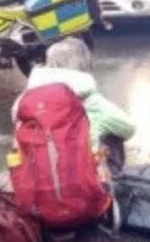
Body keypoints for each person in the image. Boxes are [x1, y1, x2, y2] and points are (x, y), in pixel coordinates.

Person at [12, 37, 135, 173]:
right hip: (83, 184)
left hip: (35, 183)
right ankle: (110, 182)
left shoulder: (25, 100)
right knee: (112, 136)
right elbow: (129, 128)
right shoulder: (91, 100)